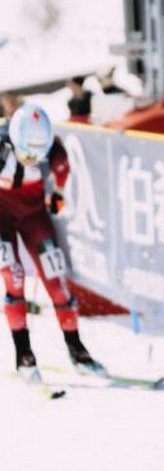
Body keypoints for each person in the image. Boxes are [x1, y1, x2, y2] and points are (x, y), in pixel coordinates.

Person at [1, 104, 106, 382]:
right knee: (14, 276)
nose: (32, 158)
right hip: (1, 218)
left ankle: (77, 349)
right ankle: (23, 355)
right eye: (26, 153)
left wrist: (57, 196)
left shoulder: (55, 155)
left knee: (56, 282)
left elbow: (59, 184)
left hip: (34, 216)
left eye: (37, 154)